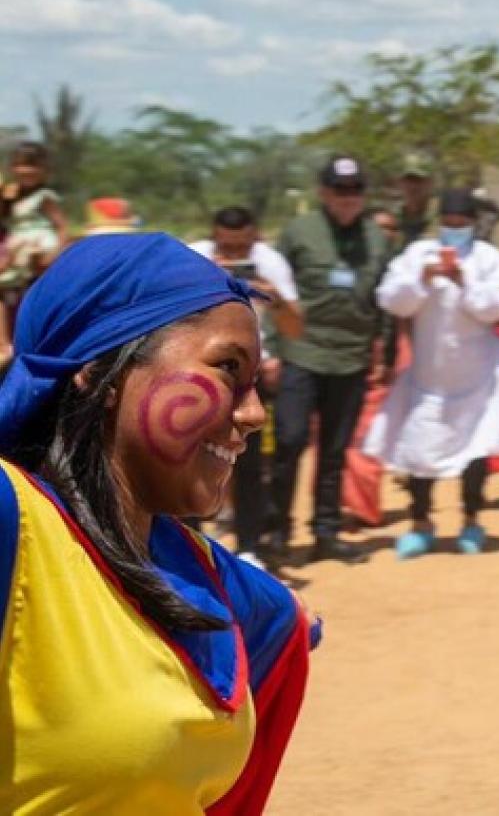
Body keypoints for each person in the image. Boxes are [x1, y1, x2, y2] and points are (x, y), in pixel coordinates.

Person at [0, 233, 314, 813]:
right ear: (98, 372)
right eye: (225, 369)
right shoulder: (15, 525)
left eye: (254, 383)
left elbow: (281, 621)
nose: (252, 414)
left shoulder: (202, 576)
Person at [365, 189, 499, 558]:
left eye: (461, 224)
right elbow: (389, 298)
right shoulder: (418, 253)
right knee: (420, 451)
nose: (454, 230)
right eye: (448, 224)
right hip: (428, 376)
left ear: (473, 224)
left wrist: (465, 282)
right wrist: (422, 279)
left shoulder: (489, 259)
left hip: (479, 376)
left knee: (476, 452)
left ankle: (471, 522)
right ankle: (421, 524)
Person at [271, 155, 391, 564]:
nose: (348, 198)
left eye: (355, 190)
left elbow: (385, 300)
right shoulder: (299, 232)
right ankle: (276, 532)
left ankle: (326, 532)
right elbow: (274, 292)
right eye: (340, 190)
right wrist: (269, 351)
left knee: (335, 452)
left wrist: (384, 351)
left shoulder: (377, 238)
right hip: (302, 352)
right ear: (324, 192)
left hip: (352, 358)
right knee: (289, 442)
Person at [190, 206, 304, 566]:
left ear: (255, 237)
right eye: (229, 247)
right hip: (199, 369)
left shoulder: (270, 262)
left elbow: (295, 327)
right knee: (188, 456)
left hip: (250, 373)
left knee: (248, 461)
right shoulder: (193, 257)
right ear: (214, 236)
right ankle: (189, 540)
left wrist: (274, 296)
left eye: (243, 248)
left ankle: (249, 544)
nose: (237, 254)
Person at [0, 142, 69, 366]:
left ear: (43, 169)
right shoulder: (14, 193)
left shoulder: (44, 196)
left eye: (31, 166)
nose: (25, 171)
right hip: (17, 243)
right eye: (20, 165)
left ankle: (11, 343)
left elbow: (60, 225)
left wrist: (58, 252)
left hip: (36, 242)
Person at [394, 152, 438, 251]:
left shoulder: (442, 213)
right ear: (400, 183)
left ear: (430, 183)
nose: (413, 187)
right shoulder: (396, 216)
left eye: (418, 181)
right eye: (409, 180)